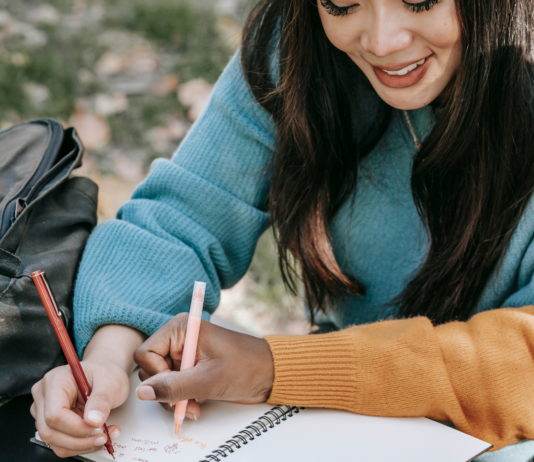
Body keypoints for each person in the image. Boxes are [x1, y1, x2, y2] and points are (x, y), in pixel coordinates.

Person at [30, 0, 534, 460]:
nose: (382, 42)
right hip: (343, 427)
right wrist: (108, 358)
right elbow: (187, 215)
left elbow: (523, 360)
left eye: (420, 0)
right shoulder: (295, 47)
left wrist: (275, 368)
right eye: (343, 3)